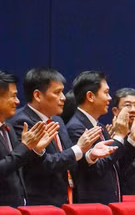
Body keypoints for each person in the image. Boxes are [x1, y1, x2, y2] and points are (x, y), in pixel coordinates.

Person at [9, 67, 114, 206]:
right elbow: (43, 164)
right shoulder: (22, 122)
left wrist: (89, 155)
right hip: (39, 204)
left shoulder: (58, 120)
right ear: (38, 95)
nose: (64, 97)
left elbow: (68, 158)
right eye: (57, 92)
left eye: (63, 92)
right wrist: (79, 148)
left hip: (64, 203)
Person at [66, 71, 135, 204]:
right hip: (93, 205)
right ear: (90, 96)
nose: (110, 98)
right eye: (106, 93)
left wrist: (132, 140)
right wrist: (119, 136)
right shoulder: (76, 127)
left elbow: (119, 165)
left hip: (108, 203)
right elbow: (97, 169)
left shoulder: (97, 124)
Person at [0, 70, 60, 207]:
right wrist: (25, 147)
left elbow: (17, 163)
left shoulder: (7, 127)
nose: (17, 101)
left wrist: (35, 149)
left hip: (18, 208)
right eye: (13, 96)